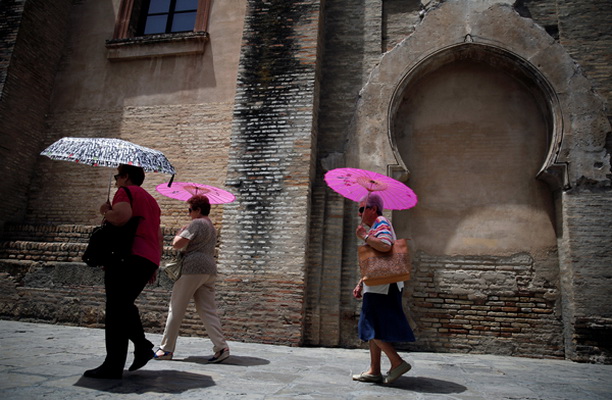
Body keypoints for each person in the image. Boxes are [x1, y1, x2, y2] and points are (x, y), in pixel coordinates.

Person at [84, 164, 163, 379]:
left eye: (118, 176)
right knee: (123, 306)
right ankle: (141, 347)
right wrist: (154, 263)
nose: (116, 180)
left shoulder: (125, 192)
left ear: (126, 177)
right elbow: (158, 234)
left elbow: (121, 217)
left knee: (116, 309)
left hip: (128, 256)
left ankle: (116, 363)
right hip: (147, 257)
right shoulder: (152, 201)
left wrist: (105, 210)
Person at [154, 194, 230, 363]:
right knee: (207, 310)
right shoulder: (211, 225)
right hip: (209, 269)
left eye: (190, 210)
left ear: (198, 210)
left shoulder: (196, 223)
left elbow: (177, 244)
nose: (189, 213)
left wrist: (181, 231)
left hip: (192, 268)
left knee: (176, 308)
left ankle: (166, 349)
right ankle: (221, 347)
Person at [351, 193, 415, 384]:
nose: (359, 213)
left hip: (383, 287)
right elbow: (376, 261)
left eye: (362, 209)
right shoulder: (378, 225)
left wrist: (364, 235)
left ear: (372, 209)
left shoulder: (381, 222)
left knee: (368, 325)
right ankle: (374, 370)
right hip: (379, 285)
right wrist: (361, 281)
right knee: (375, 326)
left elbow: (386, 246)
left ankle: (397, 362)